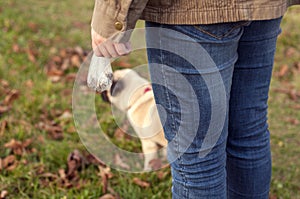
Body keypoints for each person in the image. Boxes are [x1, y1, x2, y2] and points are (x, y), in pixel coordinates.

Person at [90, 1, 300, 198]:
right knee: (247, 135)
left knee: (199, 159)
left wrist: (111, 17)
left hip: (190, 12)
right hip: (263, 7)